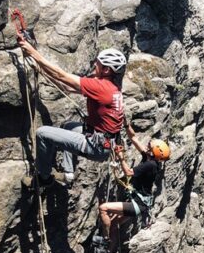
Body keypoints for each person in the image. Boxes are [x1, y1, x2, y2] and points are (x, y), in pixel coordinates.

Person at [16, 35, 128, 188]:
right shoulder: (113, 88)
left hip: (95, 146)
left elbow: (61, 75)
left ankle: (43, 178)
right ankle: (68, 174)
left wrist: (32, 53)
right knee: (68, 127)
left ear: (106, 69)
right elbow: (67, 87)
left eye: (98, 63)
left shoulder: (101, 88)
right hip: (103, 143)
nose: (95, 65)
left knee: (42, 133)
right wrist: (41, 69)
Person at [93, 124, 170, 253]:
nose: (147, 145)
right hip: (140, 203)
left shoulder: (150, 165)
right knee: (114, 224)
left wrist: (120, 156)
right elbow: (133, 137)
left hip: (137, 205)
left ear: (154, 152)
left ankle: (105, 241)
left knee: (103, 208)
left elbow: (128, 172)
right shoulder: (150, 159)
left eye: (150, 146)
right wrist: (126, 124)